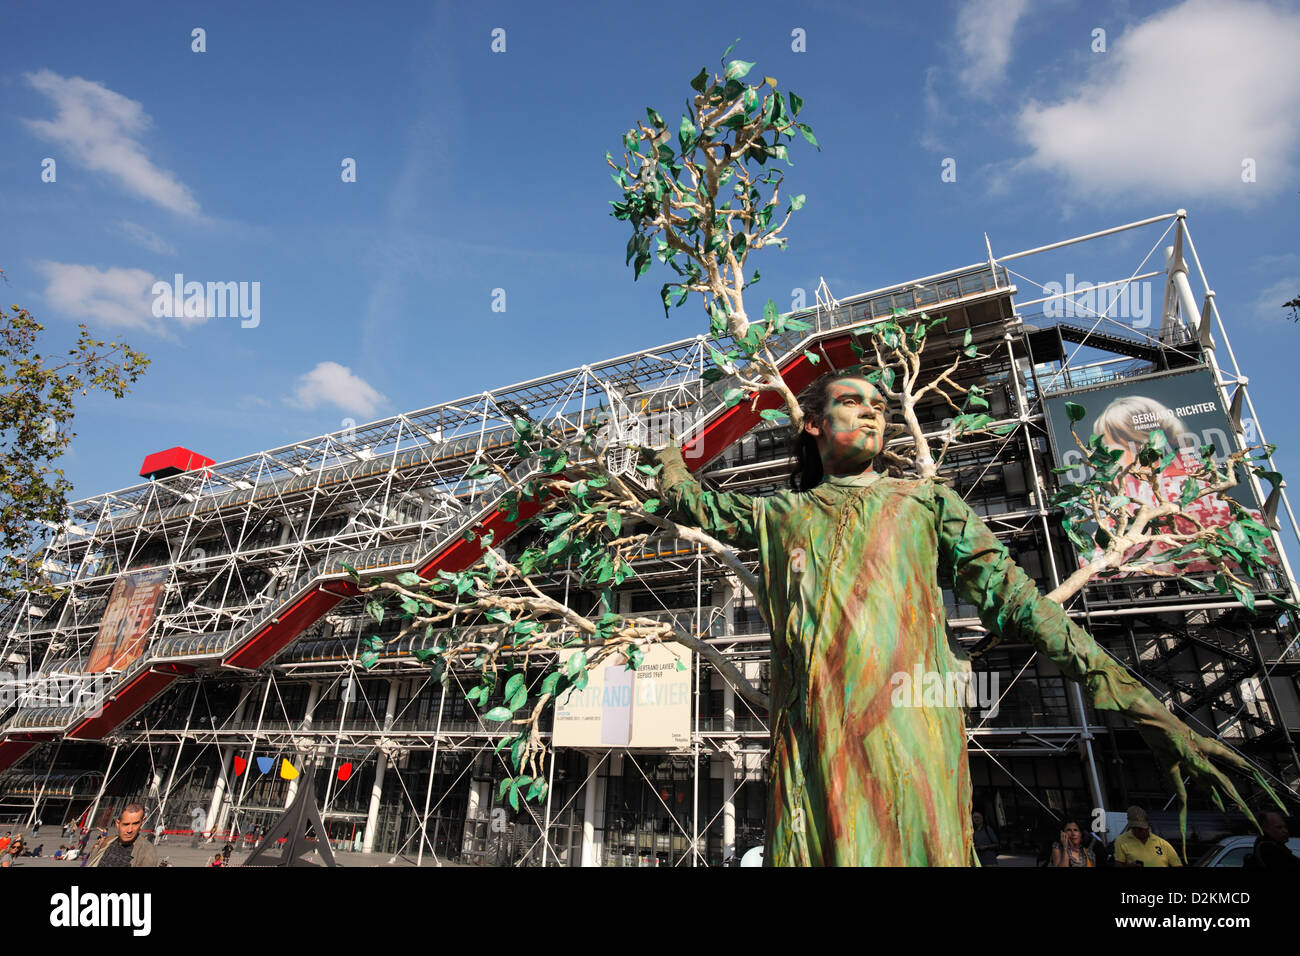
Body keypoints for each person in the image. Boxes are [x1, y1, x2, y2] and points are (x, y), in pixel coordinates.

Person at [656, 372, 1259, 866]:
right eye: (852, 402)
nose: (872, 414)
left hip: (914, 748)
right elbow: (691, 502)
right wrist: (669, 454)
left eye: (880, 407)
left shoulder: (926, 502)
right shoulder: (779, 514)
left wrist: (1136, 698)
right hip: (815, 759)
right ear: (812, 423)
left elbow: (1019, 602)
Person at [85, 804, 157, 868]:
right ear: (117, 823)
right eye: (126, 824)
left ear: (142, 821)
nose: (129, 830)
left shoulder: (146, 852)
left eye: (135, 824)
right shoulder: (107, 842)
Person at [1113, 806, 1181, 867]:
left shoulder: (1162, 843)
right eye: (1140, 829)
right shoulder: (1121, 841)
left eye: (1146, 828)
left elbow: (1177, 864)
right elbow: (1118, 864)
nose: (1144, 832)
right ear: (1133, 828)